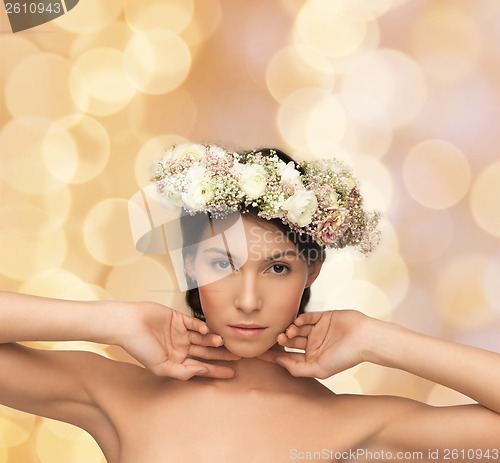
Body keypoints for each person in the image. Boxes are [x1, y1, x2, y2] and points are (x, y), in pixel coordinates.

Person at [0, 144, 499, 463]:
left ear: (313, 272)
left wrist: (378, 339)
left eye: (278, 268)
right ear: (189, 267)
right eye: (222, 263)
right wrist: (112, 321)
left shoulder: (360, 427)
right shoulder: (116, 394)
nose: (248, 299)